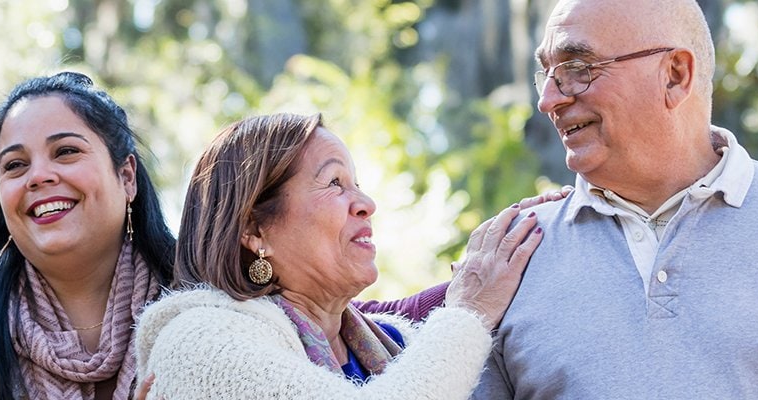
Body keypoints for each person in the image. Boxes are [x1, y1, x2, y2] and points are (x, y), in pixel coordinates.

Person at [0, 73, 472, 399]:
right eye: (14, 166)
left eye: (66, 152)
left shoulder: (197, 292)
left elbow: (344, 318)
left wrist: (482, 271)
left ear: (126, 176)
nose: (39, 177)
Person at [473, 0, 758, 398]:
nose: (548, 100)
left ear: (675, 75)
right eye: (547, 74)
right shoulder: (508, 256)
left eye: (577, 68)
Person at [132, 113, 559, 398]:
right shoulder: (196, 342)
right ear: (253, 229)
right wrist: (470, 310)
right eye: (335, 183)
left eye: (357, 183)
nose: (365, 203)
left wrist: (546, 233)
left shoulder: (392, 344)